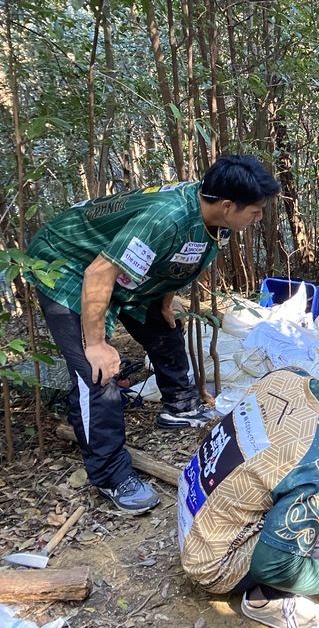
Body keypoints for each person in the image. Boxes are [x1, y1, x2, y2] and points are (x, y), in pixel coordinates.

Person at [25, 155, 281, 514]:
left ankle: (179, 408)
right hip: (68, 265)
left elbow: (180, 263)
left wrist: (164, 303)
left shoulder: (217, 223)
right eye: (255, 212)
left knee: (165, 328)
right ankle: (111, 477)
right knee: (97, 373)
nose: (258, 219)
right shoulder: (166, 218)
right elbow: (99, 273)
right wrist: (96, 344)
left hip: (123, 275)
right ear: (227, 206)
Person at [178, 316, 319, 628]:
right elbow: (273, 566)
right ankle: (266, 599)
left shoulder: (284, 377)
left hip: (193, 518)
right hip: (214, 563)